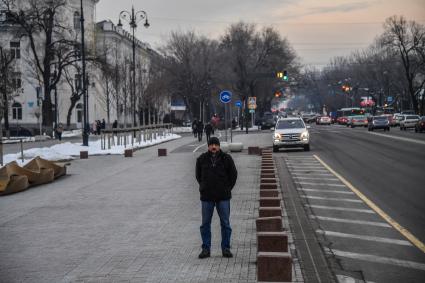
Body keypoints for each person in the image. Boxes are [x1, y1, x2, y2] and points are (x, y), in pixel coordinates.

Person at [195, 137, 238, 259]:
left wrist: (227, 188)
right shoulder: (201, 159)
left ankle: (226, 248)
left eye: (216, 145)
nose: (213, 147)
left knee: (225, 223)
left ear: (219, 146)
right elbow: (198, 176)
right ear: (208, 146)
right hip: (207, 197)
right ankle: (205, 249)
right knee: (205, 224)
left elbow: (233, 175)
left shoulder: (227, 159)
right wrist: (203, 186)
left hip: (223, 197)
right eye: (211, 145)